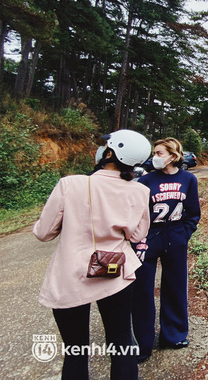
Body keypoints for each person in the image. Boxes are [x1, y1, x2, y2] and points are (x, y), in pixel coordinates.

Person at [33, 129, 152, 380]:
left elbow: (43, 233)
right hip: (116, 273)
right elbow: (138, 235)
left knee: (75, 351)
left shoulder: (71, 184)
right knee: (121, 342)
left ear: (110, 152)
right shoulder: (139, 191)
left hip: (71, 277)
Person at [132, 137, 201, 362]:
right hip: (147, 240)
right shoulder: (145, 181)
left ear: (173, 156)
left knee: (175, 288)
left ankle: (174, 336)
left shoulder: (188, 179)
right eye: (155, 153)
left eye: (160, 153)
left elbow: (193, 212)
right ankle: (143, 343)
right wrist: (139, 239)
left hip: (175, 240)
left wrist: (184, 234)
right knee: (142, 291)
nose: (155, 157)